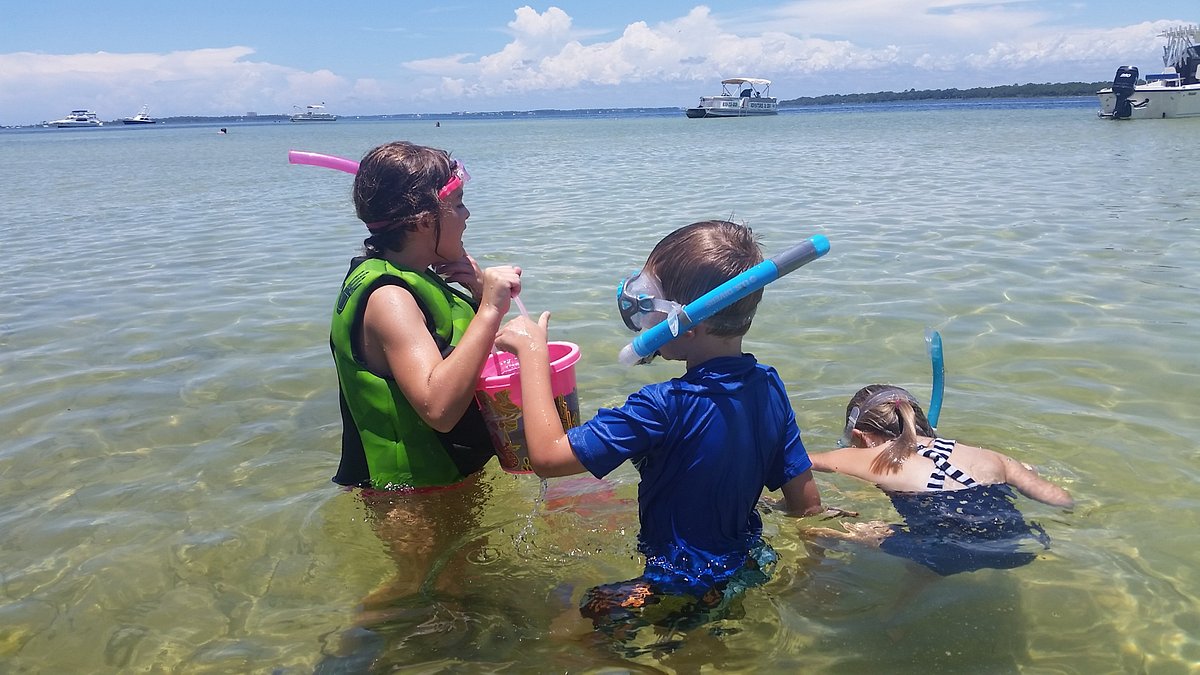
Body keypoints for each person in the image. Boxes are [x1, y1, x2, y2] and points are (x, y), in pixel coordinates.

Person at [495, 220, 836, 640]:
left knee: (564, 633)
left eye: (647, 301)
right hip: (748, 565)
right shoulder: (770, 386)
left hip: (676, 584)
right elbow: (806, 504)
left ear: (688, 324)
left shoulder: (661, 406)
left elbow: (547, 457)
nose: (641, 312)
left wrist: (532, 353)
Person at [330, 140, 522, 491]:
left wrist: (480, 297)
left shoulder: (421, 277)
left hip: (446, 483)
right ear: (421, 222)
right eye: (459, 204)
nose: (467, 215)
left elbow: (477, 358)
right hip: (410, 501)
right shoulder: (389, 299)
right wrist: (491, 310)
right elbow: (439, 408)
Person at [806, 384, 1074, 576]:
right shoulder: (988, 457)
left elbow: (796, 462)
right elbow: (1061, 499)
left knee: (817, 528)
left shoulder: (873, 457)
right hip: (1015, 547)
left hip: (943, 555)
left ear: (860, 436)